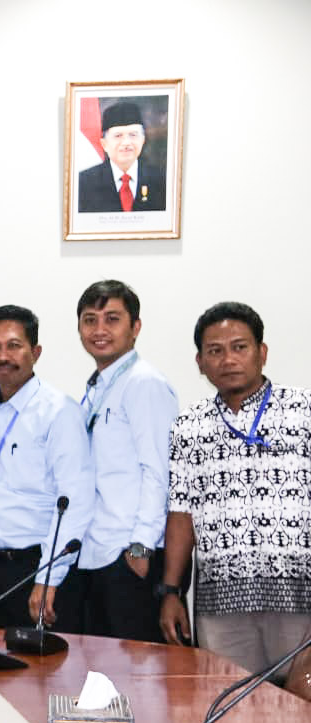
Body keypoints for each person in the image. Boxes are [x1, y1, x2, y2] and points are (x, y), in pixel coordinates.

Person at [160, 302, 311, 675]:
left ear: (262, 352)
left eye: (239, 347)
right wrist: (170, 592)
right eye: (215, 351)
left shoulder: (303, 410)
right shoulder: (189, 425)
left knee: (301, 703)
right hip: (222, 602)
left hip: (298, 594)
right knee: (230, 703)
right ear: (200, 362)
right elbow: (181, 513)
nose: (228, 359)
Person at [52, 282, 178, 641]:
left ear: (135, 327)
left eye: (112, 319)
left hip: (130, 555)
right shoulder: (97, 388)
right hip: (96, 552)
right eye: (90, 320)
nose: (100, 330)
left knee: (136, 668)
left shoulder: (144, 384)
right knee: (98, 666)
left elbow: (159, 472)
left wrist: (141, 547)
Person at [0, 305, 94, 629]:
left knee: (42, 662)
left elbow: (74, 500)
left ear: (35, 352)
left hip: (37, 567)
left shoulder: (59, 412)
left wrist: (48, 577)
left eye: (14, 346)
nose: (3, 356)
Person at [76, 101, 167, 213]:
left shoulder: (161, 180)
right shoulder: (84, 183)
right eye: (118, 136)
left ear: (143, 140)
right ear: (104, 144)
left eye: (133, 135)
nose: (126, 143)